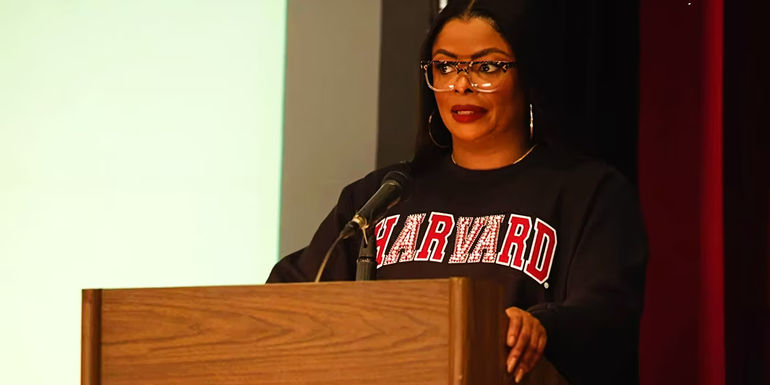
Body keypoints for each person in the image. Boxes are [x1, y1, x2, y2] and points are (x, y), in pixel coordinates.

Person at [267, 1, 648, 384]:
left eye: (487, 67)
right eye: (446, 66)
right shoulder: (383, 195)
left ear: (528, 76)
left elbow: (606, 314)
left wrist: (539, 326)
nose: (461, 84)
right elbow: (287, 298)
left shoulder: (587, 192)